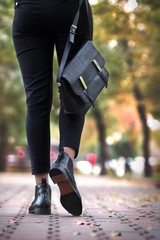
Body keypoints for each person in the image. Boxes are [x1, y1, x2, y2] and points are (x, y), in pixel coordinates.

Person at [12, 0, 93, 216]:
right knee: (73, 88)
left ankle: (41, 194)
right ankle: (64, 161)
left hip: (27, 11)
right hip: (69, 9)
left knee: (36, 101)